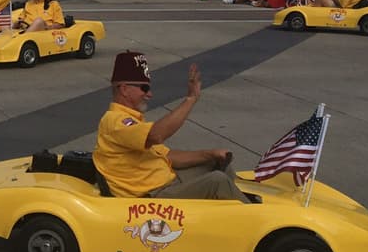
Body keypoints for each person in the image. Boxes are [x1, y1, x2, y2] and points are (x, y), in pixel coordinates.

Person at [93, 52, 251, 202]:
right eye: (144, 88)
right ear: (124, 89)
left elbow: (167, 156)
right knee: (218, 181)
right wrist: (190, 99)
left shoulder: (132, 121)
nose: (150, 94)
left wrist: (210, 154)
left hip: (166, 181)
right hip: (152, 196)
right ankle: (262, 222)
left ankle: (230, 214)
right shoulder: (115, 122)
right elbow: (156, 135)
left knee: (219, 165)